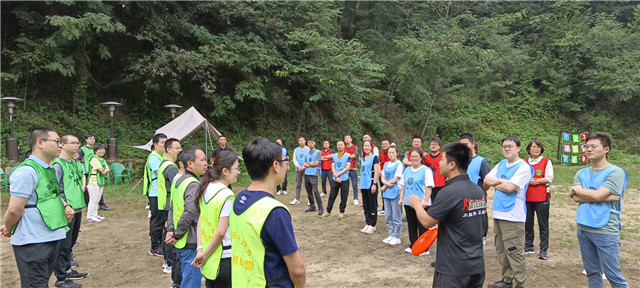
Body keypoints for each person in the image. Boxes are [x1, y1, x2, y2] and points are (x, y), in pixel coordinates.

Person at [0, 127, 74, 288]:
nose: (60, 145)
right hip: (33, 241)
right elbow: (14, 210)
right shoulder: (26, 172)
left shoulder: (48, 169)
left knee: (41, 282)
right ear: (40, 142)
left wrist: (64, 208)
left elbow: (50, 197)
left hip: (50, 237)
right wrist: (8, 226)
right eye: (56, 141)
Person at [407, 143, 487, 288]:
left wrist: (417, 204)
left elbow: (426, 222)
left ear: (451, 165)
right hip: (476, 266)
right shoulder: (478, 191)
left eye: (442, 160)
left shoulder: (449, 192)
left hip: (453, 269)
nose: (439, 163)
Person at [230, 138, 306, 287]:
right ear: (276, 165)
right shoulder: (274, 211)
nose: (287, 167)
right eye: (285, 161)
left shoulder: (239, 200)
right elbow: (297, 270)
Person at [570, 132, 628, 287]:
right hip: (583, 228)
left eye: (593, 146)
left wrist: (583, 192)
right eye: (587, 146)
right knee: (593, 273)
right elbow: (575, 197)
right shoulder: (581, 172)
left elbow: (590, 195)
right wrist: (601, 196)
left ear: (606, 149)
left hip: (605, 230)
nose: (589, 149)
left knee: (613, 275)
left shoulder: (615, 172)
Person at [484, 136, 533, 288]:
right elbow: (486, 179)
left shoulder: (523, 167)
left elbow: (511, 188)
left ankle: (519, 283)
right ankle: (506, 280)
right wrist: (502, 182)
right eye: (504, 146)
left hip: (513, 216)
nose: (507, 149)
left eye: (510, 146)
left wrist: (496, 182)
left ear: (518, 148)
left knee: (514, 250)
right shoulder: (501, 164)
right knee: (501, 249)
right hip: (498, 212)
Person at [192, 150, 240, 288]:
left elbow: (201, 220)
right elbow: (221, 232)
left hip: (210, 255)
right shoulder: (226, 195)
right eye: (236, 168)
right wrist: (204, 254)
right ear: (225, 171)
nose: (238, 172)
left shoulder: (206, 187)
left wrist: (200, 249)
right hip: (224, 258)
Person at [166, 146, 207, 288]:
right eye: (202, 160)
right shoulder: (193, 184)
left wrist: (171, 230)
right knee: (192, 282)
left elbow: (172, 207)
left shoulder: (179, 181)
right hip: (190, 241)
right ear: (190, 164)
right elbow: (189, 212)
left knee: (186, 279)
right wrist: (176, 234)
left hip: (179, 240)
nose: (205, 163)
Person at [52, 135, 89, 287]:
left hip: (77, 207)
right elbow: (56, 189)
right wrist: (65, 205)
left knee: (71, 243)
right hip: (66, 210)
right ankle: (61, 279)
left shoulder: (73, 163)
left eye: (77, 143)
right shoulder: (57, 165)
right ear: (62, 145)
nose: (76, 146)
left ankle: (67, 270)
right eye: (73, 143)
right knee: (63, 244)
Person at [398, 148, 434, 254]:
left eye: (416, 157)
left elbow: (429, 187)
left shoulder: (426, 170)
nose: (414, 159)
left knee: (422, 224)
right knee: (411, 224)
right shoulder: (407, 170)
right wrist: (401, 199)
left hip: (421, 203)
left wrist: (426, 200)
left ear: (421, 158)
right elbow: (403, 186)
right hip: (408, 202)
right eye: (412, 157)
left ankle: (424, 247)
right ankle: (413, 243)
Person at [524, 139, 554, 260]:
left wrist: (534, 181)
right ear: (529, 149)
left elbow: (549, 178)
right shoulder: (524, 162)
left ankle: (543, 249)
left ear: (541, 149)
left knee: (543, 224)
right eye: (533, 147)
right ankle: (528, 246)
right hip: (527, 197)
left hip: (542, 197)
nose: (535, 149)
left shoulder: (546, 161)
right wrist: (529, 181)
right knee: (528, 222)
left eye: (538, 147)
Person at [459, 133, 491, 245]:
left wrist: (481, 192)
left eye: (466, 144)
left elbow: (487, 179)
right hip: (462, 195)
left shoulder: (481, 161)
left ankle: (482, 236)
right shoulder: (459, 161)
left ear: (473, 144)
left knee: (479, 217)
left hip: (477, 197)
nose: (464, 147)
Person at [158, 138, 182, 274]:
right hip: (169, 204)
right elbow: (177, 186)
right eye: (177, 148)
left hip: (164, 203)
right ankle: (169, 262)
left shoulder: (164, 163)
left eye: (180, 148)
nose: (180, 150)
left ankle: (167, 260)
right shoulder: (171, 168)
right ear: (168, 150)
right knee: (170, 233)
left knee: (166, 232)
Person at [144, 133, 168, 256]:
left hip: (162, 192)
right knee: (157, 220)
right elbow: (161, 173)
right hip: (156, 192)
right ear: (155, 144)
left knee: (162, 219)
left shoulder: (162, 156)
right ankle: (155, 247)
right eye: (163, 143)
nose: (165, 145)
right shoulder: (154, 157)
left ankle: (160, 244)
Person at [380, 145, 404, 245]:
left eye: (393, 152)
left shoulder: (399, 164)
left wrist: (386, 185)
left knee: (396, 216)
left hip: (395, 192)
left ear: (397, 153)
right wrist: (386, 185)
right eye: (389, 153)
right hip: (386, 193)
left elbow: (396, 179)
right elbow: (382, 177)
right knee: (388, 215)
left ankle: (397, 236)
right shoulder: (385, 164)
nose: (391, 155)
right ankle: (391, 234)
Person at [321, 141, 352, 220]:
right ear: (337, 146)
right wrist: (336, 176)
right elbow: (332, 167)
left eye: (341, 145)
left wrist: (339, 175)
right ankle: (328, 211)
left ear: (344, 146)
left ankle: (341, 212)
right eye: (338, 145)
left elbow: (347, 167)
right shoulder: (334, 156)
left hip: (344, 179)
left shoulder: (348, 156)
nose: (340, 146)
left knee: (344, 196)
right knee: (332, 195)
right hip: (335, 179)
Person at [359, 140, 380, 234]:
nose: (366, 147)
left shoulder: (374, 158)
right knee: (366, 205)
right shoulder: (362, 158)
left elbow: (376, 171)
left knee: (373, 205)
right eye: (364, 146)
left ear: (371, 147)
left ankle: (373, 225)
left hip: (371, 184)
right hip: (364, 185)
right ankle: (367, 223)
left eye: (368, 146)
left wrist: (374, 184)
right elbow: (362, 172)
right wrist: (360, 185)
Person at [87, 144, 109, 223]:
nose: (102, 151)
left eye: (103, 149)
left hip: (100, 182)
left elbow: (107, 168)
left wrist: (105, 170)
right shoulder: (94, 159)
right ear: (95, 151)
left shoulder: (102, 159)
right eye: (99, 149)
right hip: (93, 182)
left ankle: (95, 214)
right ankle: (90, 216)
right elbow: (102, 171)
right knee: (93, 200)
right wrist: (104, 170)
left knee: (97, 199)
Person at [303, 138, 324, 215]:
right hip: (307, 173)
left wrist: (310, 164)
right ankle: (312, 206)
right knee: (308, 191)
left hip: (314, 173)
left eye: (312, 142)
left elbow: (316, 163)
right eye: (309, 142)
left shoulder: (318, 152)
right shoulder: (306, 153)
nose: (310, 144)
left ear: (314, 143)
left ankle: (321, 208)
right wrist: (310, 164)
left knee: (315, 191)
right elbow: (305, 164)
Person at [425, 138, 446, 202]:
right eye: (432, 145)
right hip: (430, 185)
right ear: (429, 146)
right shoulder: (426, 158)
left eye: (435, 145)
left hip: (442, 184)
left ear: (439, 146)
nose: (433, 146)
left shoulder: (444, 156)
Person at [290, 136, 309, 205]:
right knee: (298, 184)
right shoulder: (296, 149)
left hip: (306, 169)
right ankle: (297, 199)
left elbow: (309, 159)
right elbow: (294, 159)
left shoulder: (308, 149)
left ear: (305, 141)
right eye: (299, 141)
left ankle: (310, 199)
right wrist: (298, 166)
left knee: (307, 184)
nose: (300, 142)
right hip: (298, 169)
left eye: (302, 140)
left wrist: (303, 167)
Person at [78, 133, 95, 207]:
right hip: (86, 171)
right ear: (86, 140)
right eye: (90, 138)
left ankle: (101, 204)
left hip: (94, 170)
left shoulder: (95, 149)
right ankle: (87, 203)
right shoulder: (82, 150)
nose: (92, 140)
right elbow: (78, 161)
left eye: (93, 138)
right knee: (86, 188)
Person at [343, 135, 359, 206]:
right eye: (345, 138)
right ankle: (344, 199)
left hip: (353, 168)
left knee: (354, 184)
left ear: (351, 139)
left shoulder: (355, 147)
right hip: (345, 168)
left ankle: (355, 199)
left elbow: (354, 156)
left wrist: (346, 156)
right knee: (345, 185)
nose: (347, 140)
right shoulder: (343, 147)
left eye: (348, 138)